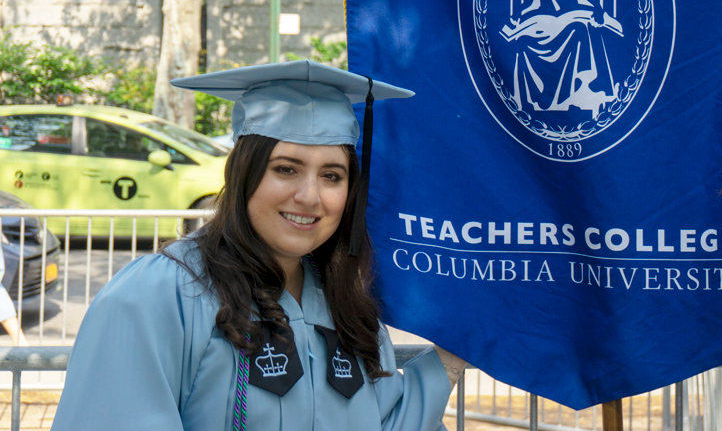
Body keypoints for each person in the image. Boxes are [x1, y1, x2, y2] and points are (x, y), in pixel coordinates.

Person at [53, 60, 464, 431]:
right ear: (243, 173)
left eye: (332, 176)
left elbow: (385, 423)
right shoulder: (158, 295)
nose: (310, 196)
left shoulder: (344, 304)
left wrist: (450, 359)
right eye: (286, 169)